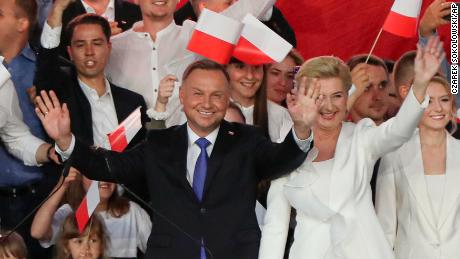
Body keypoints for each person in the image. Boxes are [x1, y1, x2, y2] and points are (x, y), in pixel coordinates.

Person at [36, 59, 318, 258]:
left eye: (217, 95)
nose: (207, 104)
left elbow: (282, 160)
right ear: (181, 97)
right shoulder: (160, 144)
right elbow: (108, 166)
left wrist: (302, 128)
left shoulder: (247, 139)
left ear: (227, 98)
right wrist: (64, 141)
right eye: (197, 93)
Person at [258, 36, 443, 259]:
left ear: (347, 97)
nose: (328, 106)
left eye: (337, 96)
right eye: (318, 97)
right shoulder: (286, 151)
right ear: (301, 99)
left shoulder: (361, 137)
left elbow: (398, 131)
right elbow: (275, 227)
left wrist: (421, 85)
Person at [375, 79, 460, 259]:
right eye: (428, 101)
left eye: (444, 100)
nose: (438, 108)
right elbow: (385, 228)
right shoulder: (393, 155)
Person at [31, 167, 151, 258]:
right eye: (95, 173)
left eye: (108, 171)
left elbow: (160, 249)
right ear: (80, 177)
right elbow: (38, 232)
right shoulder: (70, 213)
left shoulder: (132, 211)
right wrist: (62, 186)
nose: (104, 178)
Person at [174, 0, 297, 47]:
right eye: (228, 4)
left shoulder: (265, 17)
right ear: (203, 7)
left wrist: (266, 13)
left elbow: (288, 47)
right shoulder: (177, 25)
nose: (234, 5)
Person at [227, 59, 293, 142]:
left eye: (256, 67)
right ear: (225, 69)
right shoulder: (212, 111)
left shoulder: (282, 115)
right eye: (241, 67)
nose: (250, 76)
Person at [347, 54, 390, 126]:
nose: (377, 97)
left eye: (382, 86)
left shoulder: (408, 133)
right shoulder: (337, 135)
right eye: (367, 87)